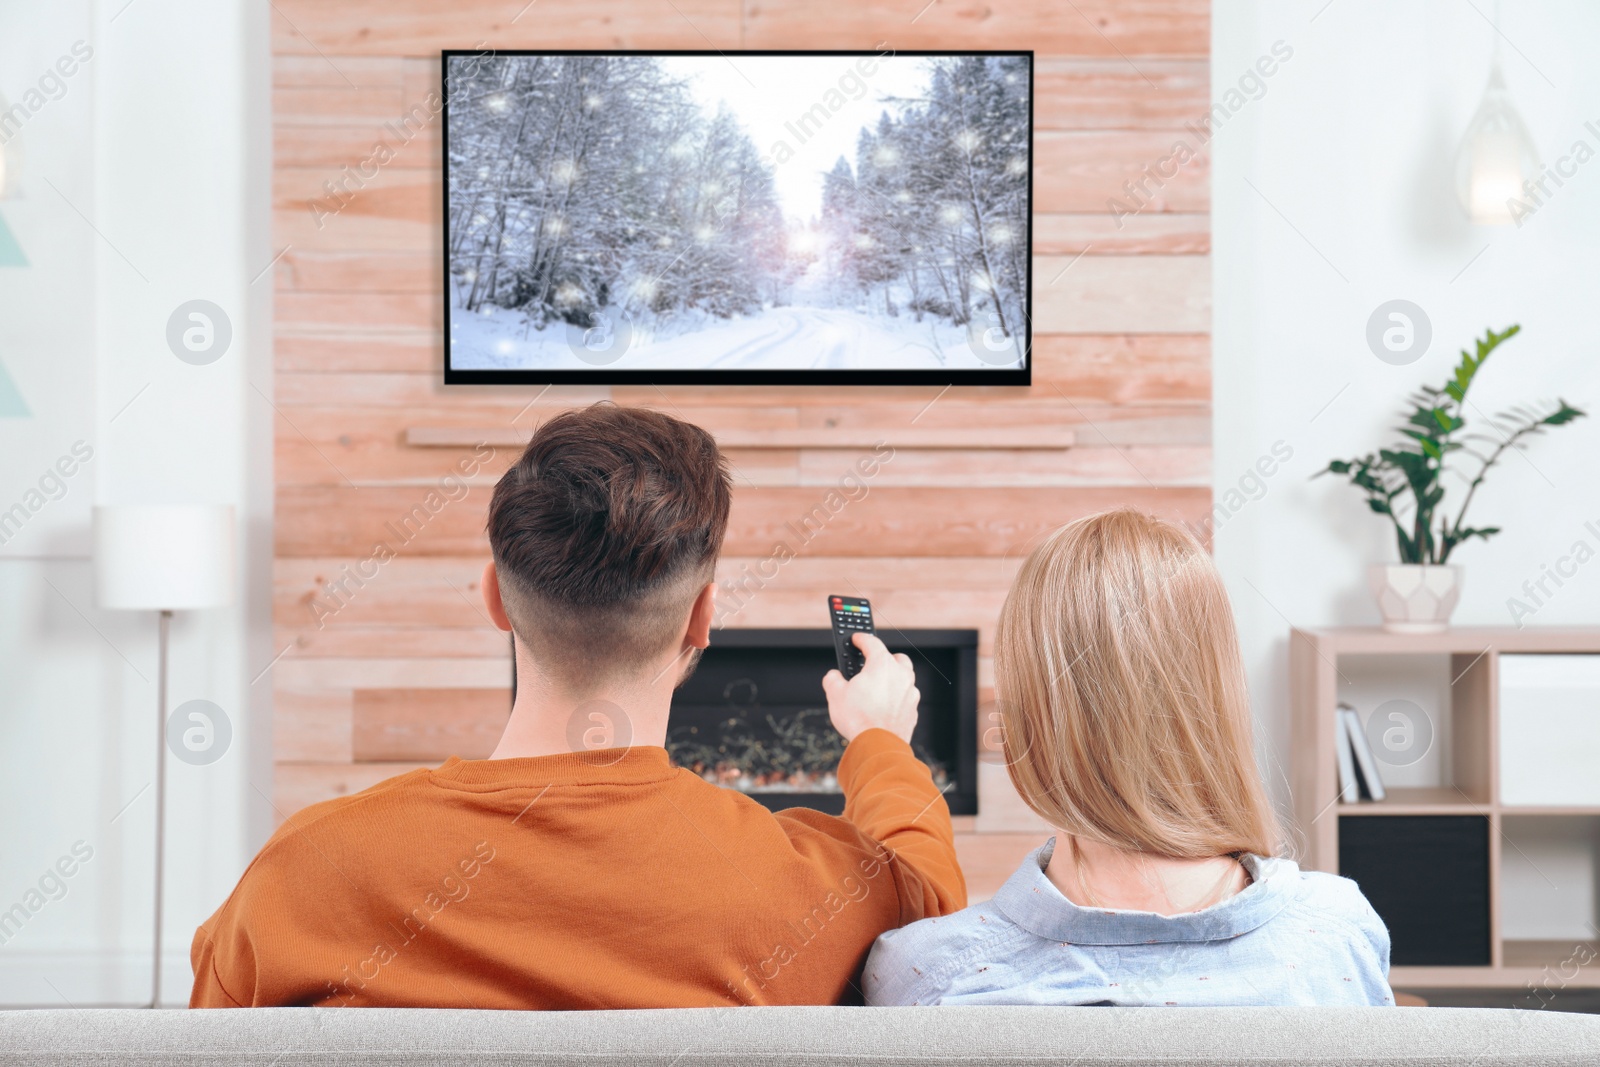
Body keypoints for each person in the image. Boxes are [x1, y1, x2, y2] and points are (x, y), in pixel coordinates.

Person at [191, 403, 964, 1008]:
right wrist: (880, 741)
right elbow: (928, 897)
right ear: (702, 616)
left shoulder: (305, 873)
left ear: (495, 597)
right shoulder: (799, 892)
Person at [864, 509, 1392, 1008]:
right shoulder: (1337, 934)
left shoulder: (926, 972)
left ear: (1028, 714)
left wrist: (877, 742)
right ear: (1219, 692)